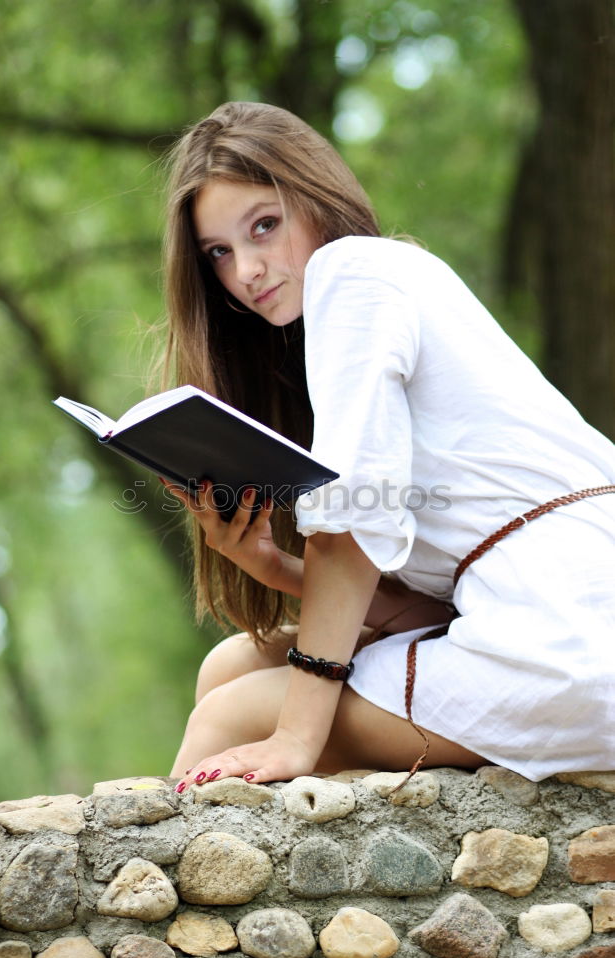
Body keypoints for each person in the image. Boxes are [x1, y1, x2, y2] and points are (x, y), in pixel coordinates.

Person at [158, 101, 615, 792]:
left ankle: (157, 891)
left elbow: (350, 532)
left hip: (571, 638)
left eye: (265, 226)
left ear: (315, 197)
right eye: (220, 252)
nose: (247, 270)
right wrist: (273, 564)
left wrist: (295, 737)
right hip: (561, 621)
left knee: (234, 716)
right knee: (233, 666)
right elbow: (447, 599)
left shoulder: (354, 274)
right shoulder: (394, 278)